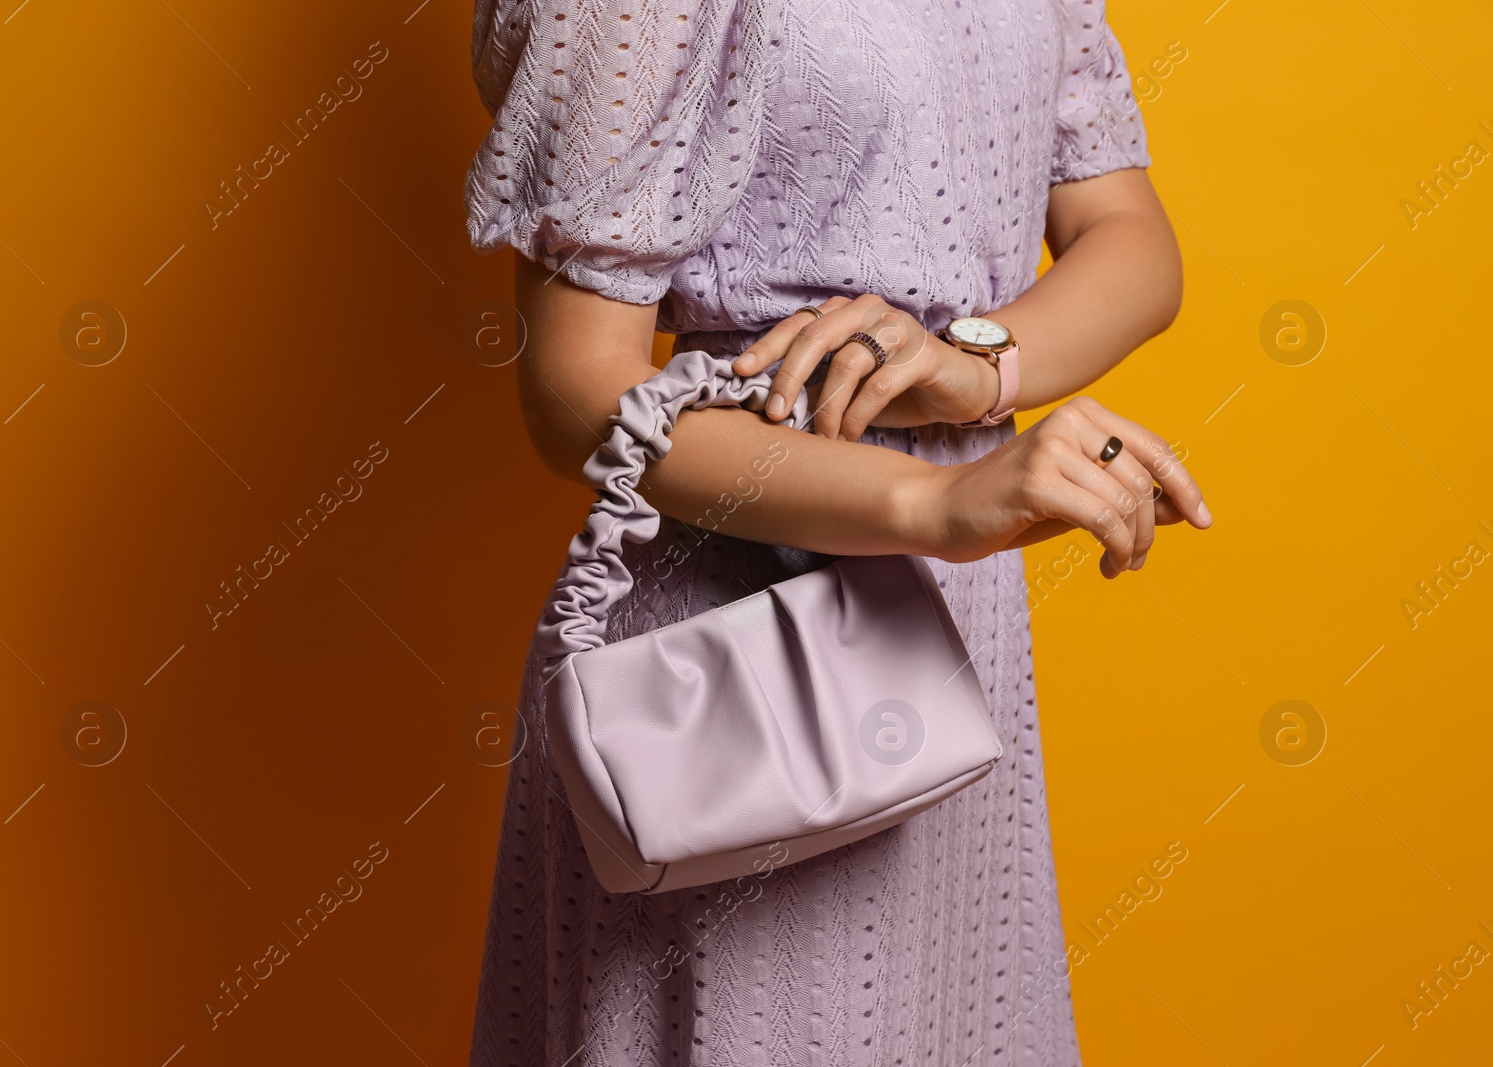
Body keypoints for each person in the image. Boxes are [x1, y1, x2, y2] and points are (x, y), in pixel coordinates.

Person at [462, 0, 1211, 1062]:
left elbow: (1128, 236)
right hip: (738, 651)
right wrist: (931, 505)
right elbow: (574, 389)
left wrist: (973, 366)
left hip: (960, 636)